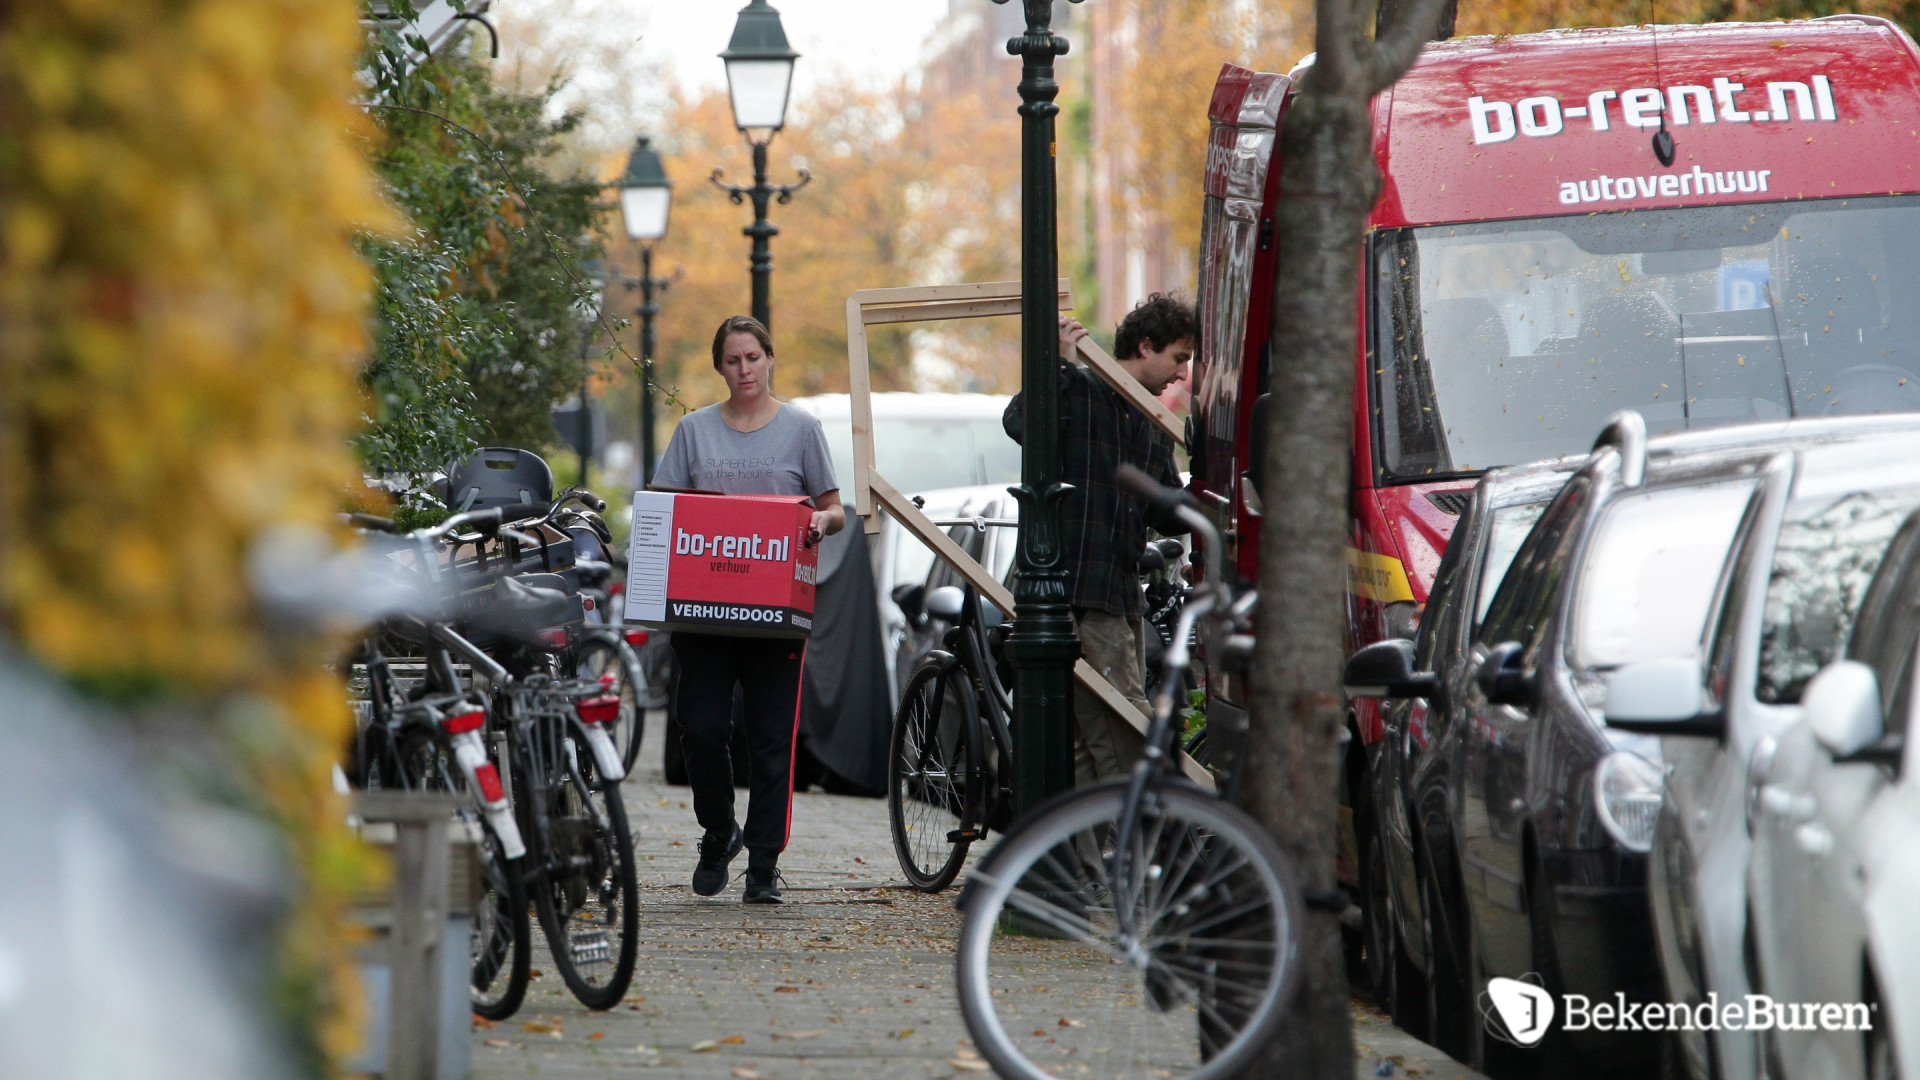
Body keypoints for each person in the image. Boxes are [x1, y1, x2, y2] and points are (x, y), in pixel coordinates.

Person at [652, 315, 846, 903]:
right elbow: (663, 507)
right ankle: (719, 832)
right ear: (720, 366)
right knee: (702, 729)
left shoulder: (802, 428)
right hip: (704, 611)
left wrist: (819, 521)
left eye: (753, 358)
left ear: (770, 359)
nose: (744, 370)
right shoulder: (693, 430)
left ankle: (762, 864)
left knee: (771, 739)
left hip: (774, 613)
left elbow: (835, 508)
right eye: (733, 360)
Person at [1004, 293, 1197, 784]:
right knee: (1123, 730)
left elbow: (1165, 512)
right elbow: (1021, 422)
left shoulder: (1151, 419)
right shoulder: (1082, 388)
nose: (1182, 374)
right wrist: (1059, 367)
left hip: (1121, 593)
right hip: (1081, 591)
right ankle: (1132, 827)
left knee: (1089, 742)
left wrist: (1210, 486)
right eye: (1178, 358)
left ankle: (1090, 834)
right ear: (1146, 346)